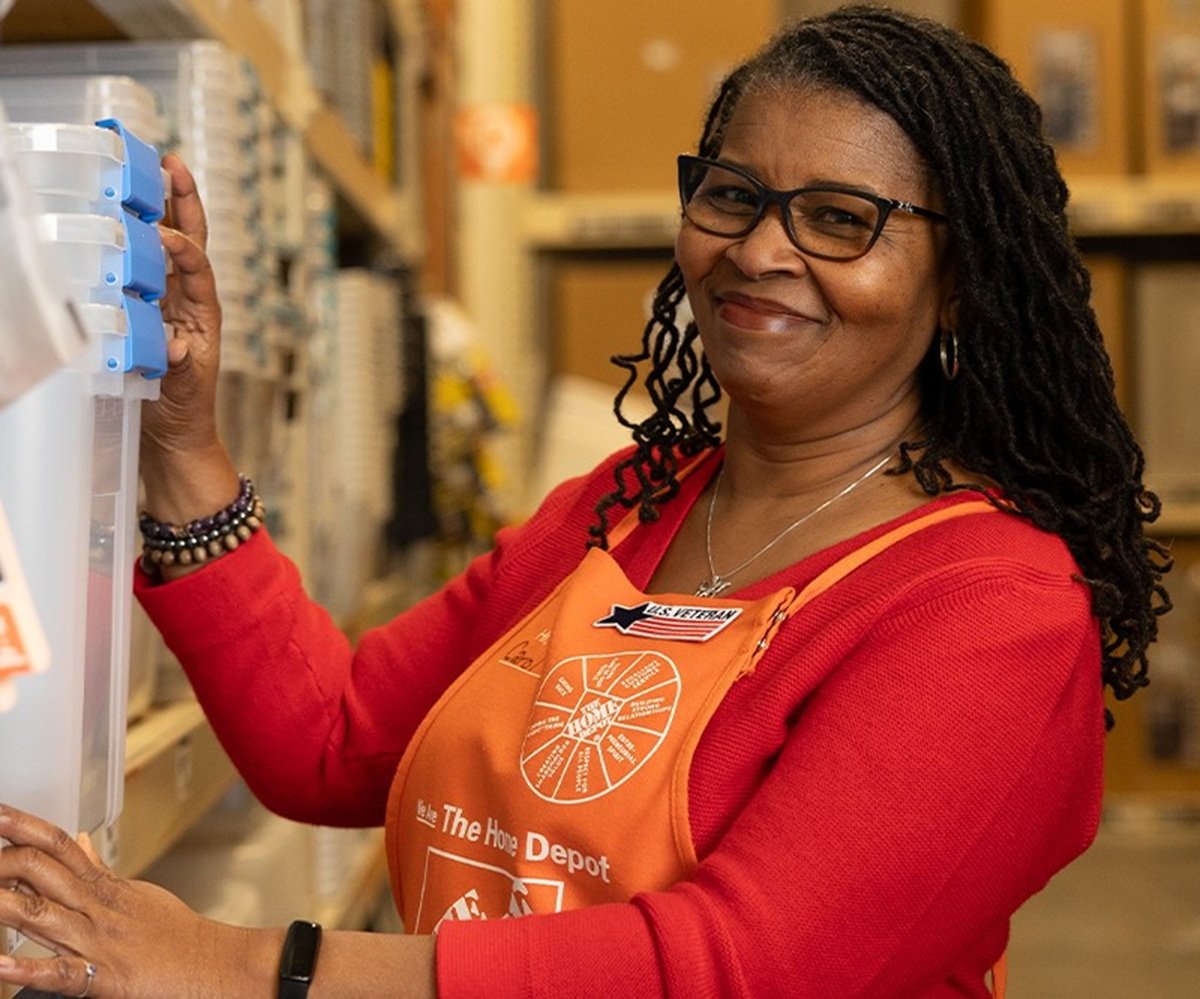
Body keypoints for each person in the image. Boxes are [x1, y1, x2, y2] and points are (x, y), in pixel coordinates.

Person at [0, 5, 1172, 997]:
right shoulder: (624, 509)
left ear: (961, 283)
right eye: (734, 195)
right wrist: (178, 446)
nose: (761, 250)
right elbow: (334, 746)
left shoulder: (992, 613)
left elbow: (735, 964)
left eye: (840, 219)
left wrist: (246, 963)